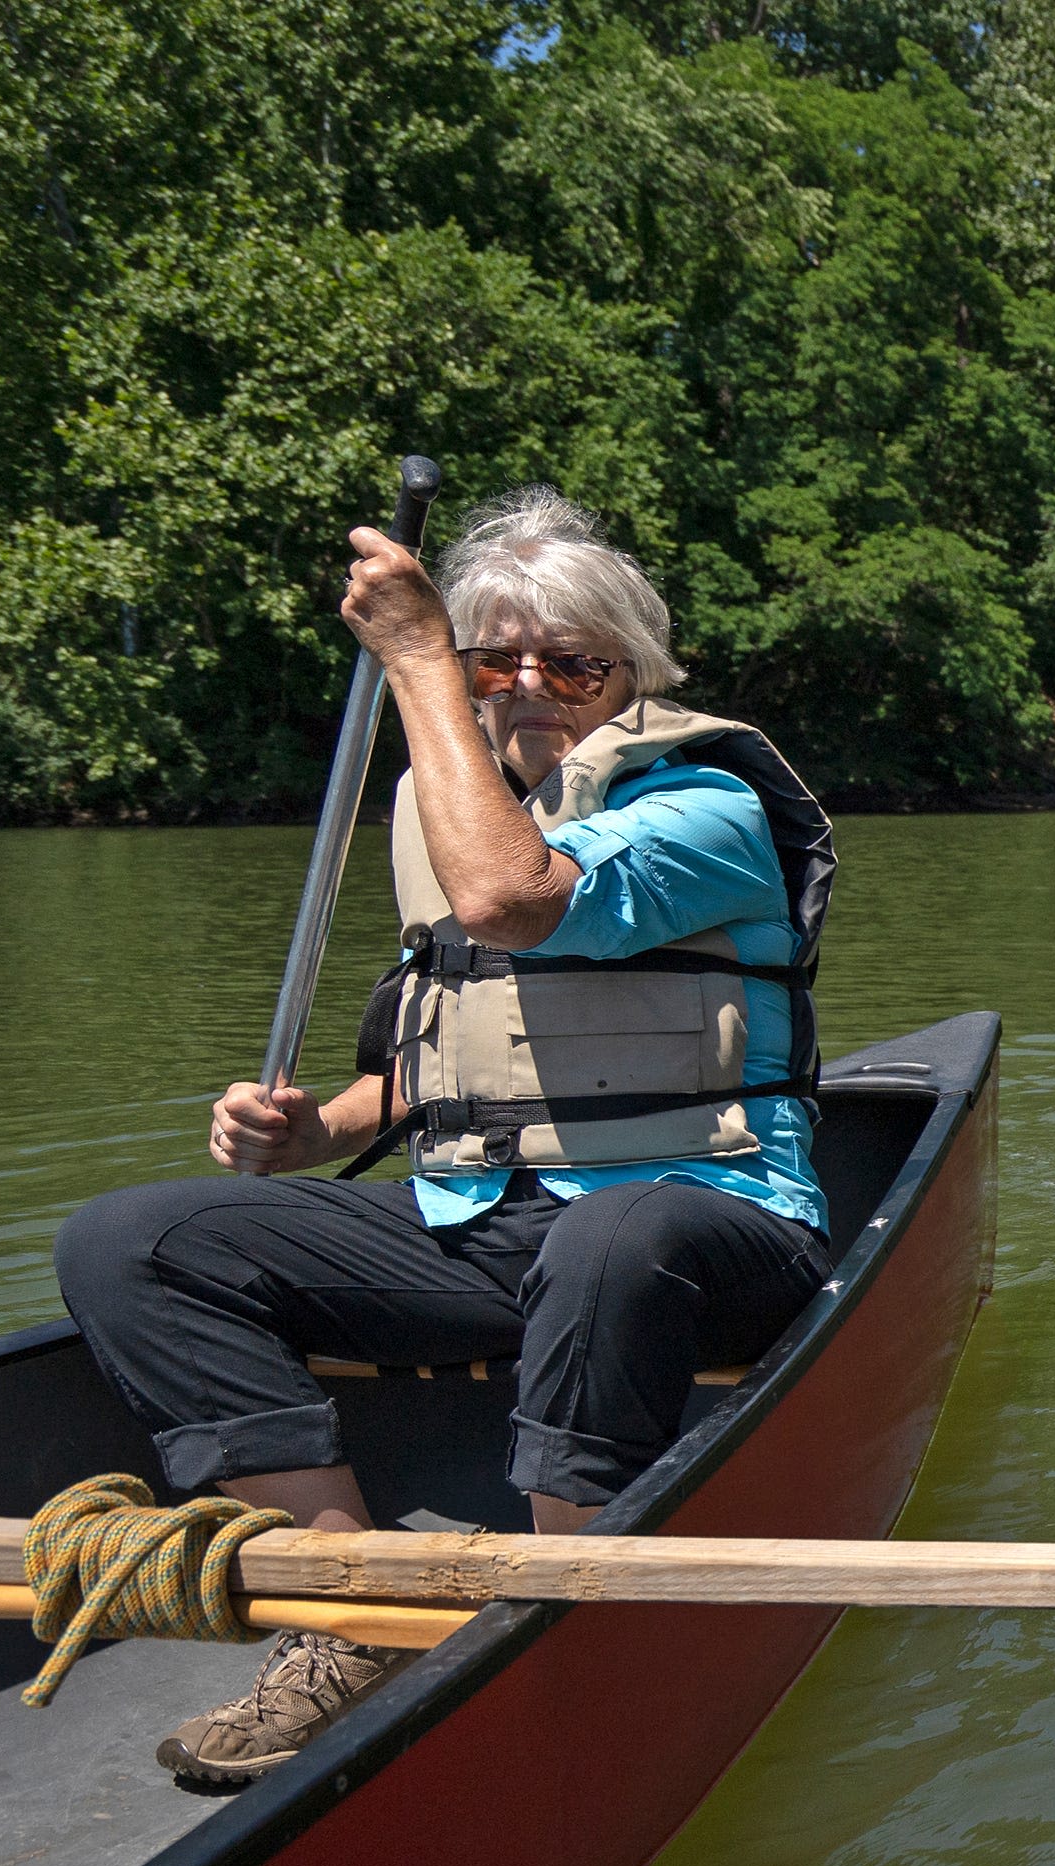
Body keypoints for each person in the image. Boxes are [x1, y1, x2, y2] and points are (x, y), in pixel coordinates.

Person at [52, 487, 838, 1784]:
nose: (530, 686)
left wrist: (416, 656)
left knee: (609, 1232)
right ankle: (356, 1614)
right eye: (493, 659)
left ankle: (565, 1630)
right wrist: (315, 1131)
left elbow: (513, 899)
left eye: (572, 662)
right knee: (131, 1242)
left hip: (707, 1217)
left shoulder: (706, 803)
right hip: (485, 1219)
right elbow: (439, 1065)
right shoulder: (451, 804)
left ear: (633, 675)